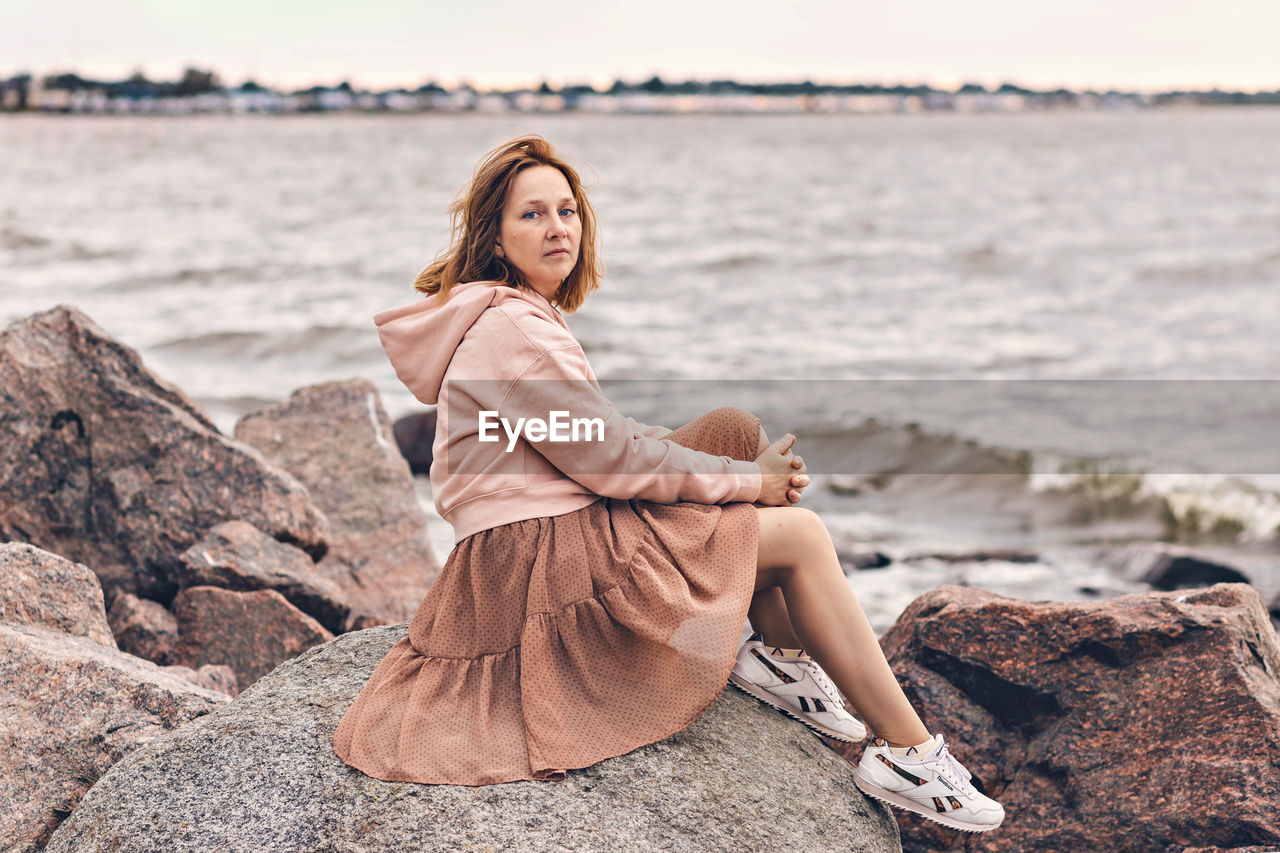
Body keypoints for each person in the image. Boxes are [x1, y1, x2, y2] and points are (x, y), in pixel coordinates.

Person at [332, 134, 1004, 834]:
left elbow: (596, 436)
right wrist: (750, 485)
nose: (557, 227)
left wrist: (742, 468)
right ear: (496, 238)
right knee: (800, 535)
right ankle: (907, 751)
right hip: (538, 564)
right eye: (532, 215)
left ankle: (780, 661)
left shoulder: (515, 314)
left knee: (730, 426)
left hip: (548, 532)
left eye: (567, 210)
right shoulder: (513, 331)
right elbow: (613, 462)